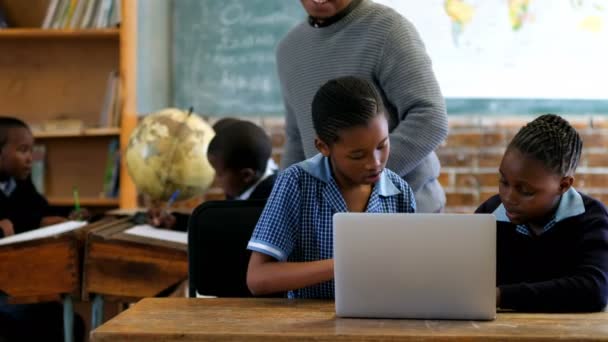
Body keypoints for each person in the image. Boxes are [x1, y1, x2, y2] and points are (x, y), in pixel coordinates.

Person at [246, 76, 416, 299]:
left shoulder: (400, 193)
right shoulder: (296, 183)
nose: (375, 163)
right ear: (323, 146)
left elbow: (409, 273)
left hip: (379, 320)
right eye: (357, 155)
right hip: (308, 324)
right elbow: (258, 278)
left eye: (382, 145)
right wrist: (345, 264)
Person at [276, 0, 448, 213]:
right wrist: (283, 205)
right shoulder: (289, 49)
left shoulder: (388, 29)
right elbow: (296, 140)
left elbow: (431, 118)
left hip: (406, 210)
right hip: (330, 217)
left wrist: (352, 181)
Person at [476, 114, 608, 312]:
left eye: (525, 191)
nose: (508, 197)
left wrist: (499, 296)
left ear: (563, 185)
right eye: (503, 182)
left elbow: (594, 290)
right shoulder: (489, 214)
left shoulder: (591, 218)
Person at [0, 117, 85, 341]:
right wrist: (34, 222)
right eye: (23, 150)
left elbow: (40, 210)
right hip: (4, 287)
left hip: (22, 280)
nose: (30, 159)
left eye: (32, 150)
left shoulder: (20, 183)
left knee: (70, 323)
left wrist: (68, 216)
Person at [148, 119, 277, 230]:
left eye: (219, 173)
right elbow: (224, 222)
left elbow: (229, 229)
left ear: (246, 175)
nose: (215, 179)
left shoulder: (268, 204)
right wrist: (177, 221)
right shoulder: (242, 184)